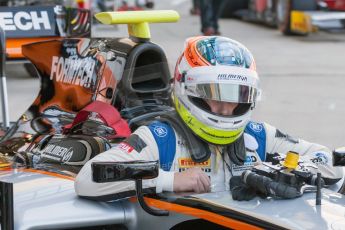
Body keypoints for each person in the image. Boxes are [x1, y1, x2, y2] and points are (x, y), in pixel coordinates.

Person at [74, 36, 343, 200]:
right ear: (187, 89)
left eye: (238, 95)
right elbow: (89, 178)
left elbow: (323, 157)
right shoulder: (160, 139)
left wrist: (285, 172)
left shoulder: (259, 135)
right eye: (216, 94)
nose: (227, 107)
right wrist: (167, 180)